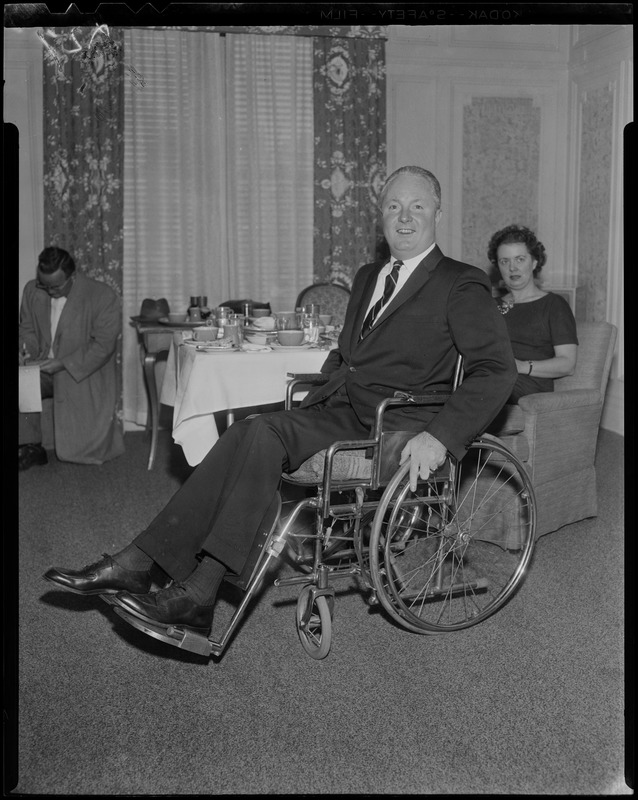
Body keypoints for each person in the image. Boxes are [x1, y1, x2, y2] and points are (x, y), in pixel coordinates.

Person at [43, 166, 517, 639]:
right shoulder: (370, 274)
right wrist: (317, 394)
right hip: (341, 410)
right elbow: (346, 354)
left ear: (437, 211)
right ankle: (151, 567)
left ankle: (182, 581)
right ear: (381, 217)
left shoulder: (460, 282)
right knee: (248, 429)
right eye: (394, 207)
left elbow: (496, 369)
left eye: (417, 206)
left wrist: (440, 437)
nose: (405, 217)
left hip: (397, 426)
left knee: (263, 435)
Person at [19, 246, 125, 470]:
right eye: (43, 285)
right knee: (21, 381)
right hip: (42, 367)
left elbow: (103, 345)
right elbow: (26, 329)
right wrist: (27, 351)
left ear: (73, 277)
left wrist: (61, 363)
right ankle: (30, 446)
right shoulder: (32, 290)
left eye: (55, 286)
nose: (48, 291)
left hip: (81, 371)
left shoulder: (102, 295)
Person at [487, 224, 578, 403]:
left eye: (520, 259)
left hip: (527, 388)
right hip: (489, 379)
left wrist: (521, 366)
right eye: (504, 261)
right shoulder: (489, 305)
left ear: (534, 262)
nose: (512, 268)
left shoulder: (553, 305)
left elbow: (568, 363)